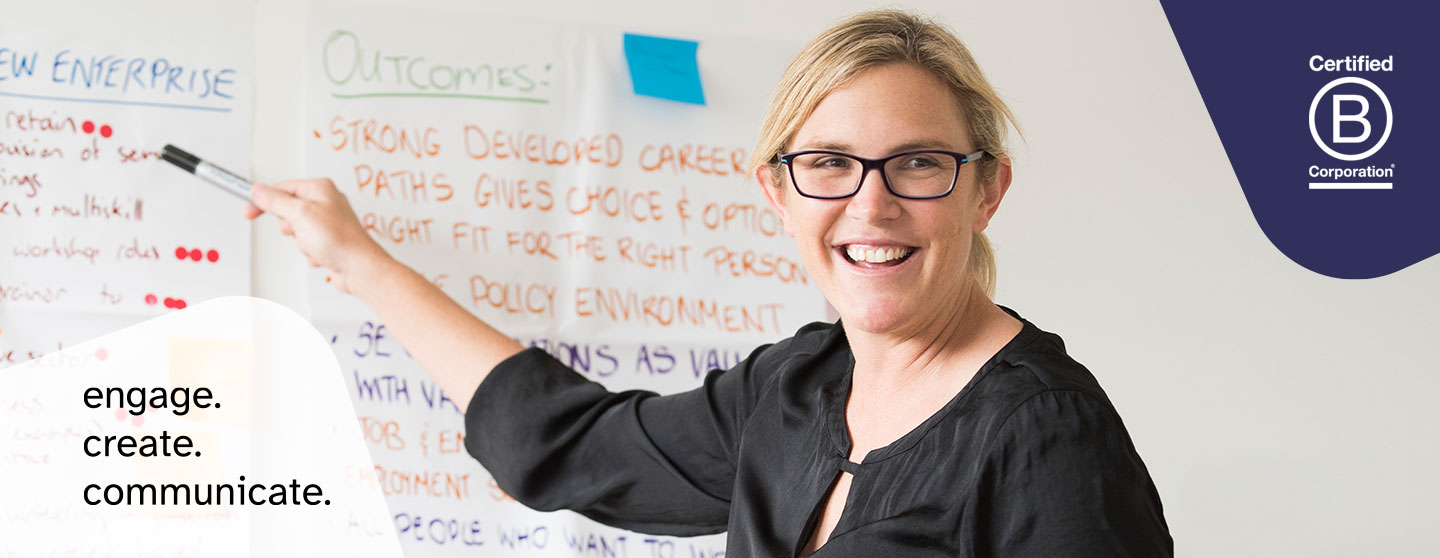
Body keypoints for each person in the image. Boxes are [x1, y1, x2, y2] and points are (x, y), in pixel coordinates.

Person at [247, 9, 1173, 557]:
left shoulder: (1047, 437)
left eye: (919, 163)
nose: (871, 204)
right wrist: (360, 263)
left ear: (987, 191)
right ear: (777, 193)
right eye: (829, 163)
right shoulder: (798, 388)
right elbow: (565, 445)